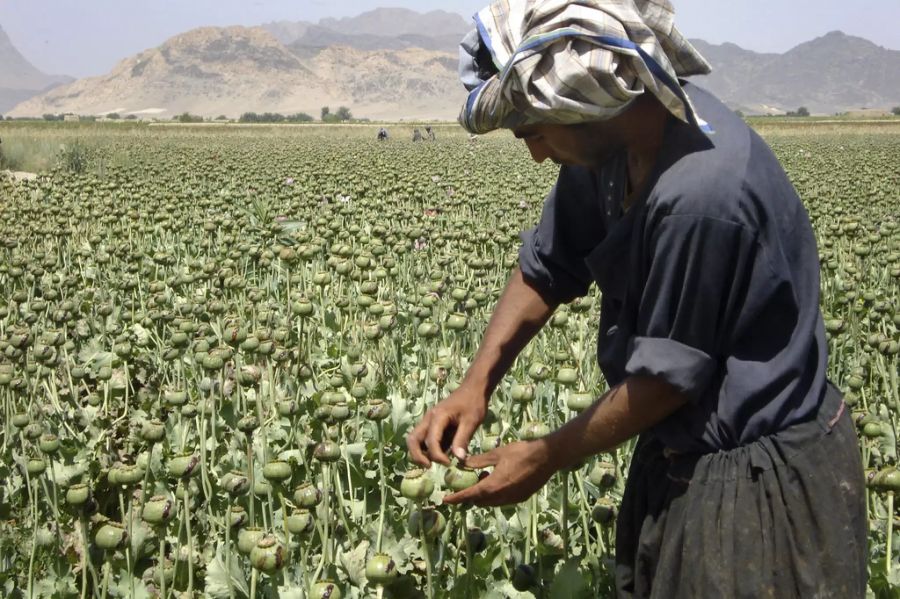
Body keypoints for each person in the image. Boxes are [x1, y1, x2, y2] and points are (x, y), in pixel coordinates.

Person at [405, 1, 866, 597]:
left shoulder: (701, 194)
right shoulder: (613, 145)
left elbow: (668, 379)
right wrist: (476, 383)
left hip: (755, 483)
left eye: (534, 132)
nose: (536, 153)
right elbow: (549, 265)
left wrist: (546, 455)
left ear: (580, 106)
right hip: (680, 454)